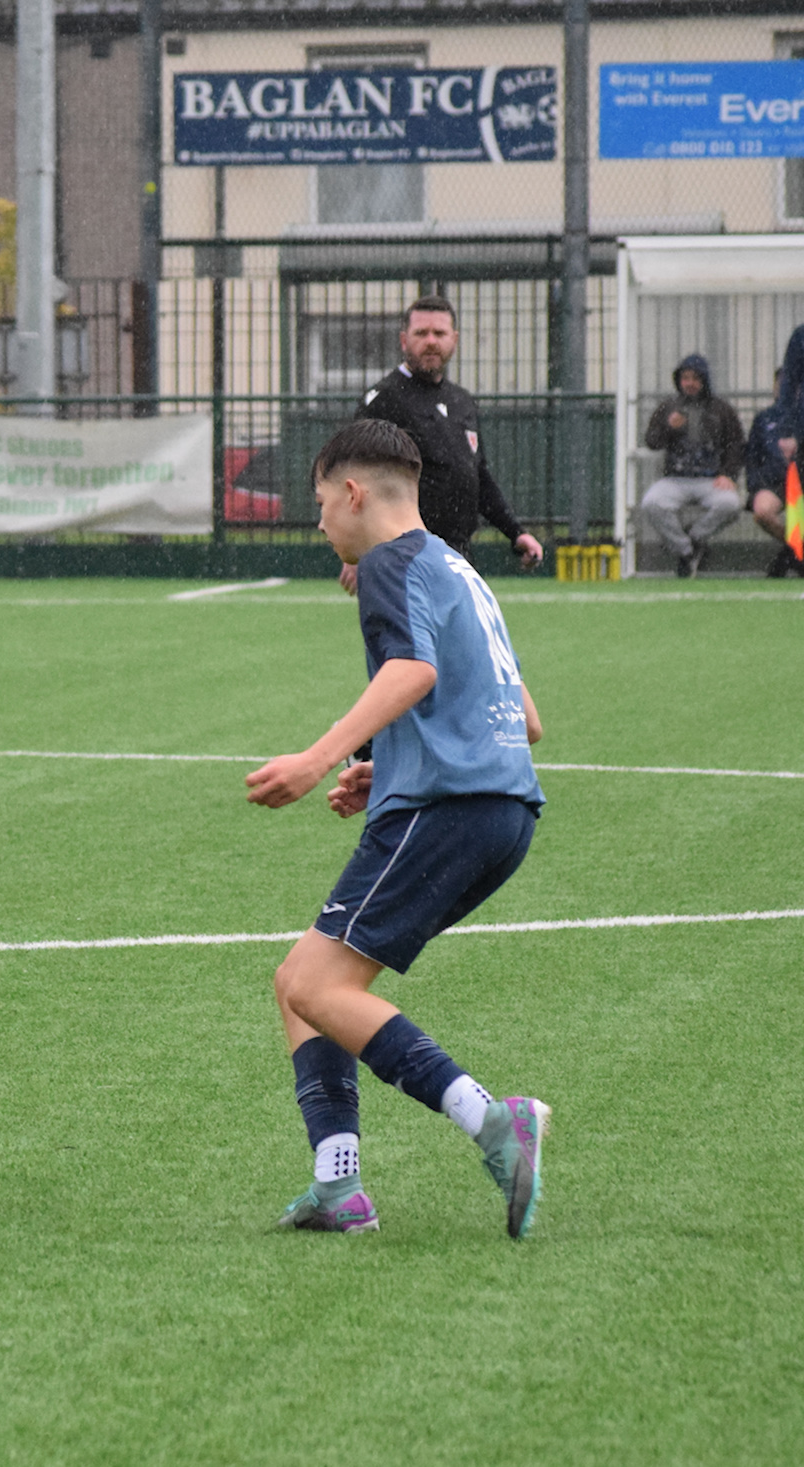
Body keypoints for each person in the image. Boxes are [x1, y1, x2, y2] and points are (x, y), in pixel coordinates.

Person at [246, 419, 550, 1240]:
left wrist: (318, 757)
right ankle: (336, 1183)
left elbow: (412, 672)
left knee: (316, 986)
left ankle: (493, 1119)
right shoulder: (460, 567)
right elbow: (523, 720)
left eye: (318, 504)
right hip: (499, 810)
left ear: (353, 493)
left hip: (448, 813)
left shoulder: (385, 562)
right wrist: (395, 765)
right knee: (302, 983)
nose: (318, 525)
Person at [345, 295, 544, 593]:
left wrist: (515, 532)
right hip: (405, 554)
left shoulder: (461, 401)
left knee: (461, 639)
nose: (431, 341)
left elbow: (477, 476)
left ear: (454, 339)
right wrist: (354, 549)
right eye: (421, 333)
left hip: (459, 555)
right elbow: (353, 477)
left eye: (439, 333)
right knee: (410, 640)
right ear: (403, 340)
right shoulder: (383, 399)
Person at [639, 353, 745, 577]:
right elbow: (651, 442)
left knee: (730, 505)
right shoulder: (668, 407)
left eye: (695, 378)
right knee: (652, 503)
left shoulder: (722, 409)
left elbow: (736, 445)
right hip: (675, 479)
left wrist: (728, 475)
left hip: (711, 479)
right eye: (685, 378)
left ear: (704, 380)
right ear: (678, 380)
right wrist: (668, 427)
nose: (690, 383)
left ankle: (695, 538)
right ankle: (686, 552)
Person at [744, 366, 799, 576]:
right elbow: (752, 456)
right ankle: (796, 551)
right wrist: (755, 484)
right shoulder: (764, 419)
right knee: (763, 512)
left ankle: (789, 556)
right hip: (775, 482)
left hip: (801, 482)